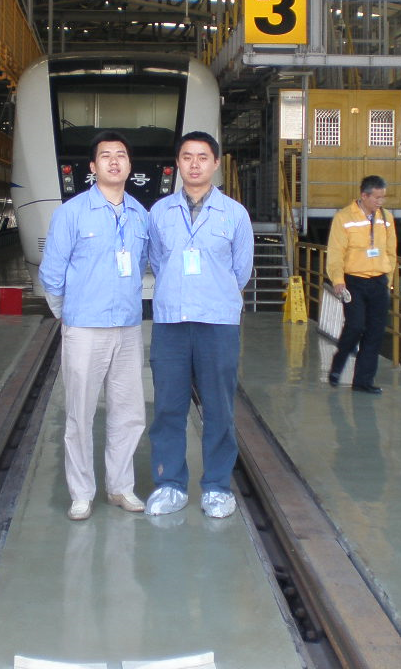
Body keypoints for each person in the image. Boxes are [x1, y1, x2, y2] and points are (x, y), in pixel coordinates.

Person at [38, 130, 151, 521]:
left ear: (130, 166)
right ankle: (82, 493)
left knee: (128, 412)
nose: (114, 161)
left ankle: (120, 487)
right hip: (85, 328)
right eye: (106, 156)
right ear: (93, 166)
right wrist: (67, 314)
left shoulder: (140, 215)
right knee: (79, 414)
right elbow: (52, 272)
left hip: (128, 328)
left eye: (121, 155)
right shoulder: (71, 213)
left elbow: (143, 263)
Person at [143, 131, 254, 519]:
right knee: (168, 407)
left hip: (217, 322)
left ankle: (217, 487)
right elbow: (157, 261)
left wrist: (211, 292)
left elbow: (240, 270)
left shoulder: (235, 214)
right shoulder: (159, 212)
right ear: (178, 164)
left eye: (202, 157)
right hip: (171, 321)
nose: (194, 164)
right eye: (187, 157)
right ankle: (170, 484)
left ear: (216, 163)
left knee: (219, 408)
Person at [326, 174, 397, 393]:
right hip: (353, 282)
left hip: (378, 281)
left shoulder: (386, 218)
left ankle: (363, 381)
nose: (380, 202)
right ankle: (339, 362)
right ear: (364, 196)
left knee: (375, 332)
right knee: (356, 326)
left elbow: (391, 251)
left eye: (383, 197)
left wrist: (388, 280)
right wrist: (338, 280)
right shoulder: (344, 218)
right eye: (376, 197)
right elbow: (336, 252)